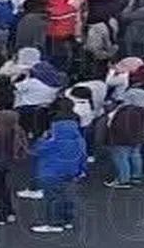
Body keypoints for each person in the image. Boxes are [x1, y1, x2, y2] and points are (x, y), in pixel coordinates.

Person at [28, 99, 87, 234]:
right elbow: (83, 155)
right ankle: (67, 221)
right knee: (68, 196)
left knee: (53, 198)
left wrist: (42, 138)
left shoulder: (52, 139)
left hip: (51, 172)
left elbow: (37, 151)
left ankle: (54, 223)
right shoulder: (79, 138)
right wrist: (81, 170)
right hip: (72, 171)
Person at [104, 87, 144, 188]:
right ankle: (136, 176)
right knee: (135, 155)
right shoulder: (143, 111)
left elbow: (119, 125)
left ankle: (123, 180)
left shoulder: (125, 111)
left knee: (121, 157)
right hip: (138, 138)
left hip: (122, 139)